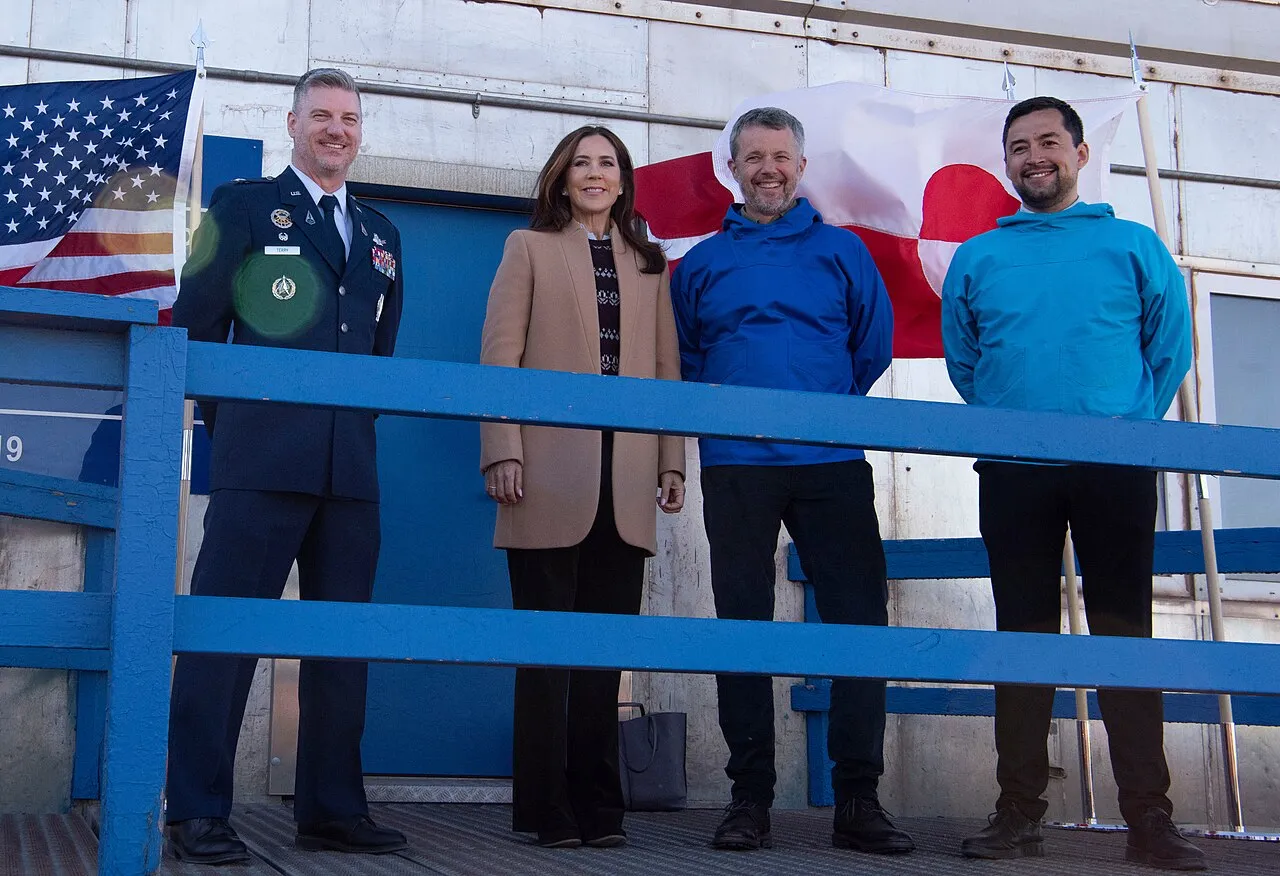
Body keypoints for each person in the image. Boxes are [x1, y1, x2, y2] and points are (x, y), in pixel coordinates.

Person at [941, 95, 1204, 871]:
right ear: (1007, 163)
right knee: (1022, 639)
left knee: (1125, 639)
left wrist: (1121, 425)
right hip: (1014, 472)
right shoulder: (978, 257)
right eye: (1019, 146)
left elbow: (1170, 348)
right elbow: (966, 362)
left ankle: (1148, 820)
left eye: (1049, 142)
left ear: (1081, 154)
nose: (1035, 157)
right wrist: (1013, 424)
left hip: (1113, 469)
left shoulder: (1133, 245)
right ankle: (1018, 813)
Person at [166, 68, 407, 865]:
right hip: (260, 462)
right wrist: (234, 427)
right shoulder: (242, 207)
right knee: (224, 637)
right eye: (322, 116)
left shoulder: (381, 232)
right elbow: (196, 326)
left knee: (341, 642)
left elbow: (380, 351)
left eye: (349, 118)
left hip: (351, 471)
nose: (337, 129)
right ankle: (196, 808)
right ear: (293, 123)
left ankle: (331, 808)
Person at [670, 107, 912, 856]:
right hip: (737, 467)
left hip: (831, 463)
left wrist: (819, 414)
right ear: (733, 168)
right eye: (753, 157)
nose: (767, 169)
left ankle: (858, 800)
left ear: (801, 167)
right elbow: (689, 356)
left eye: (780, 156)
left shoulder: (843, 252)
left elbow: (870, 347)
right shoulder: (702, 264)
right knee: (742, 626)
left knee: (857, 625)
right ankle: (749, 800)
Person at [479, 125, 686, 849]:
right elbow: (499, 357)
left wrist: (670, 462)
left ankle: (600, 807)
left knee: (603, 656)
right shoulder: (527, 248)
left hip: (626, 482)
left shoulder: (651, 263)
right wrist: (501, 449)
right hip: (544, 477)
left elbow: (665, 370)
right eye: (581, 163)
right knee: (546, 657)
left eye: (607, 163)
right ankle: (544, 809)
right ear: (562, 178)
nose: (594, 173)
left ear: (623, 179)